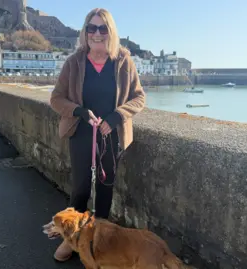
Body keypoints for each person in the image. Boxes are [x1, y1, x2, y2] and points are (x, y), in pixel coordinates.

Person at [49, 7, 145, 262]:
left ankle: (99, 243)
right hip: (81, 133)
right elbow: (56, 98)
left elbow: (139, 97)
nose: (97, 33)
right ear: (85, 32)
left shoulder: (123, 61)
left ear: (110, 32)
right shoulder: (74, 62)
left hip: (112, 137)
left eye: (103, 28)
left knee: (105, 190)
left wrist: (115, 117)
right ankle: (73, 239)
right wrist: (79, 111)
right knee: (80, 189)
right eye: (91, 28)